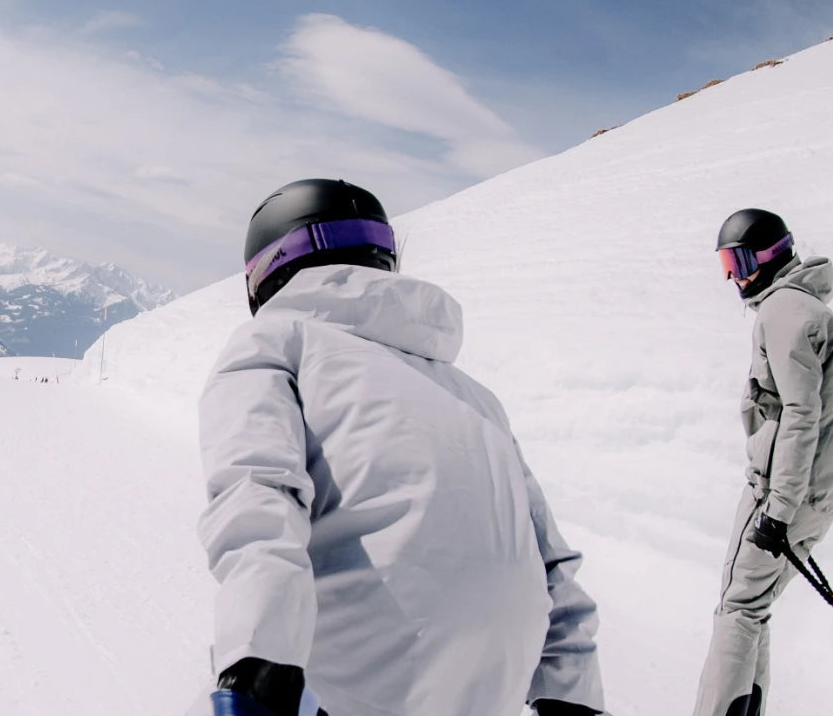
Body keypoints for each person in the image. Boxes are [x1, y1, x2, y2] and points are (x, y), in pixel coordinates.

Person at [195, 179, 608, 716]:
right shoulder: (474, 395)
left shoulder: (275, 343)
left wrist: (258, 656)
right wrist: (572, 691)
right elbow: (548, 555)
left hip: (360, 680)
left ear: (264, 274)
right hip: (494, 685)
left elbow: (257, 492)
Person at [692, 208, 833, 716]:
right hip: (814, 492)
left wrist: (779, 508)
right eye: (726, 265)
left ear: (769, 256)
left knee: (737, 608)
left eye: (739, 263)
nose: (733, 278)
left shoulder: (783, 311)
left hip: (785, 492)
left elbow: (800, 414)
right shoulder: (803, 308)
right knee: (753, 608)